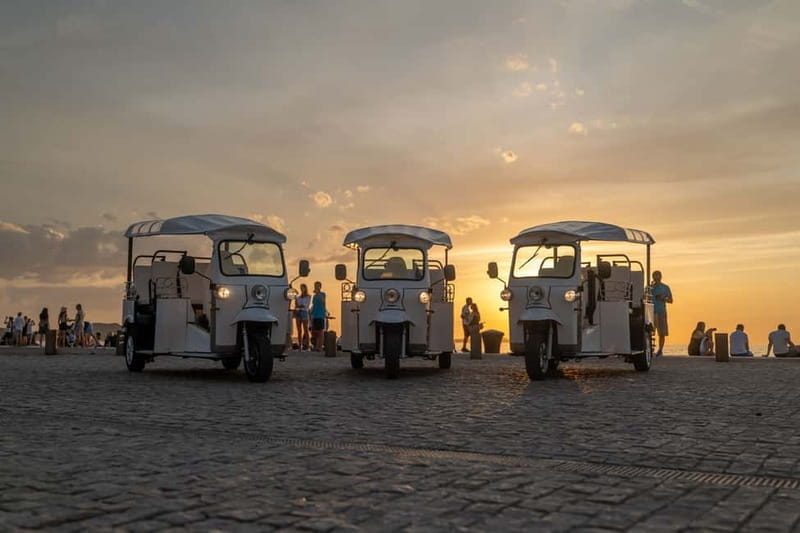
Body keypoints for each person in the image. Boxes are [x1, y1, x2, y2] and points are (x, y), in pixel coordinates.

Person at [650, 271, 672, 357]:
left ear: (660, 277)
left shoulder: (665, 287)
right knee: (650, 332)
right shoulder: (650, 287)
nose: (656, 278)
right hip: (651, 312)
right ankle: (650, 348)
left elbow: (671, 300)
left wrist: (663, 298)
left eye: (658, 276)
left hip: (661, 312)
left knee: (662, 333)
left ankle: (660, 350)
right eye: (655, 276)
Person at [310, 281, 327, 351]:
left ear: (320, 287)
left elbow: (323, 301)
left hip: (320, 315)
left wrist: (318, 293)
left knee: (321, 332)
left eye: (317, 286)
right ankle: (316, 346)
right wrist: (312, 314)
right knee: (315, 332)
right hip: (315, 315)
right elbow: (314, 305)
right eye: (315, 286)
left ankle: (320, 347)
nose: (316, 287)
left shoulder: (323, 294)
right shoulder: (314, 296)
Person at [294, 283, 311, 351]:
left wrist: (299, 305)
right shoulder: (298, 297)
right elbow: (296, 305)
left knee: (305, 329)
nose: (302, 289)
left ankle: (308, 345)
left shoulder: (308, 296)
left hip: (304, 312)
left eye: (303, 288)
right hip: (298, 312)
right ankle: (300, 346)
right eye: (301, 288)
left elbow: (306, 305)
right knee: (299, 330)